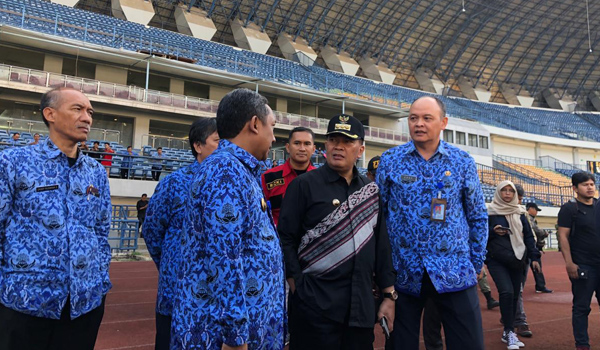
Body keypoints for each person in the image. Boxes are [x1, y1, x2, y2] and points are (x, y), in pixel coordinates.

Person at [171, 88, 285, 350]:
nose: (274, 136)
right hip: (220, 335)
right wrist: (235, 336)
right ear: (255, 124)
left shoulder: (239, 169)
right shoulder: (225, 171)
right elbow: (225, 256)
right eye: (272, 126)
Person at [0, 87, 112, 349]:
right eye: (77, 109)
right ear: (49, 113)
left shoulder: (96, 172)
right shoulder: (13, 162)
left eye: (90, 112)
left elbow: (101, 231)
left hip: (84, 303)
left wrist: (100, 279)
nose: (87, 118)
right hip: (25, 302)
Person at [377, 96, 488, 350]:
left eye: (427, 118)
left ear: (443, 122)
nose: (419, 124)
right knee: (401, 344)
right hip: (403, 273)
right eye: (413, 118)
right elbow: (379, 216)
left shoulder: (462, 161)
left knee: (469, 343)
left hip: (455, 271)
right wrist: (382, 272)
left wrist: (475, 261)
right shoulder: (390, 160)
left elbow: (477, 215)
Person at [278, 114, 396, 350]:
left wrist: (388, 296)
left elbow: (381, 246)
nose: (339, 146)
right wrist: (297, 286)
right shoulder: (303, 186)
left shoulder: (371, 192)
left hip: (359, 309)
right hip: (314, 308)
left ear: (360, 149)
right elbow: (285, 239)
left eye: (347, 141)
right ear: (325, 146)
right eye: (333, 140)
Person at [143, 118, 219, 350]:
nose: (224, 147)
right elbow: (152, 231)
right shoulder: (174, 183)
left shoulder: (232, 183)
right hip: (177, 291)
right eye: (217, 141)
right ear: (198, 145)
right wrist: (171, 262)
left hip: (218, 294)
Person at [486, 180, 541, 350]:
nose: (508, 193)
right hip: (497, 259)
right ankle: (510, 332)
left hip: (518, 259)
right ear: (498, 192)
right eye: (504, 190)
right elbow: (478, 235)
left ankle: (507, 330)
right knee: (507, 292)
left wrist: (535, 257)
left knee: (516, 295)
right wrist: (492, 231)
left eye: (511, 191)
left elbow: (529, 237)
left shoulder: (520, 212)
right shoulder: (489, 212)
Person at [557, 171, 600, 350]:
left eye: (592, 184)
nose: (590, 187)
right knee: (582, 307)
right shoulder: (569, 209)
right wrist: (569, 262)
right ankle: (582, 344)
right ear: (575, 188)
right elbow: (563, 236)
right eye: (585, 184)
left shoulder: (599, 205)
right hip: (583, 265)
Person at [261, 126, 316, 226]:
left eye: (307, 144)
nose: (302, 148)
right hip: (279, 239)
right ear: (288, 147)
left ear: (313, 149)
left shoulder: (321, 178)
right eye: (297, 143)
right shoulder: (268, 177)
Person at [526, 202, 553, 294]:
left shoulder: (529, 218)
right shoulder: (529, 218)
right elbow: (536, 230)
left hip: (527, 246)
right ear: (530, 208)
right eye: (536, 210)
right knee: (536, 266)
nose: (537, 212)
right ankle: (540, 286)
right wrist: (544, 233)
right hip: (531, 247)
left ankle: (540, 285)